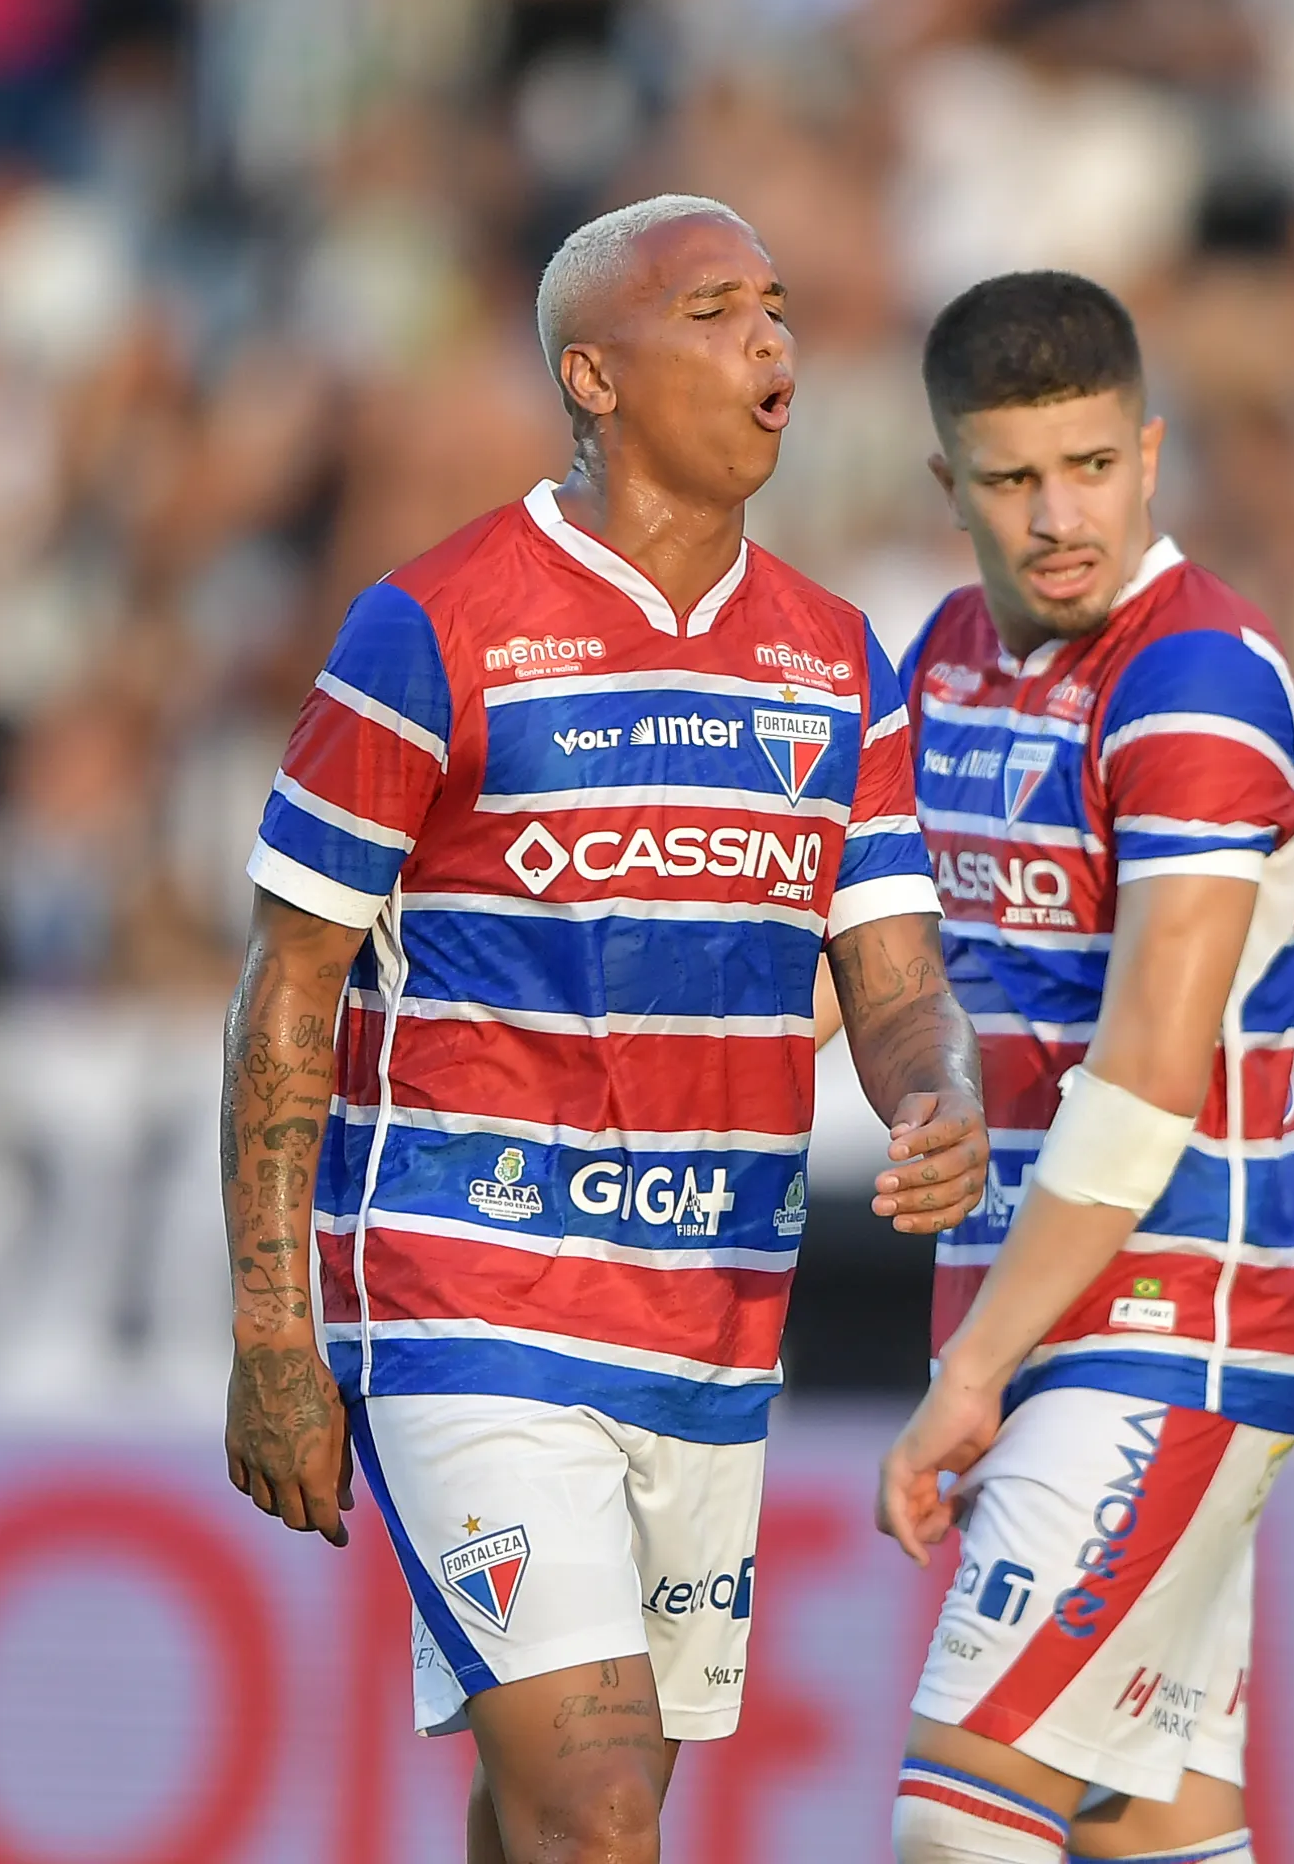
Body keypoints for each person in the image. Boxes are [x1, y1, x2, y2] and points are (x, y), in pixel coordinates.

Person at [220, 192, 992, 1864]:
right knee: (600, 1806)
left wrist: (940, 1096)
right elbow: (286, 986)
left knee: (552, 1818)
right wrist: (275, 1333)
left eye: (778, 307)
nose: (770, 341)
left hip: (709, 1323)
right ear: (596, 377)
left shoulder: (836, 662)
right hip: (468, 1298)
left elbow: (900, 985)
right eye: (714, 311)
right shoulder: (430, 628)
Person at [860, 271, 1294, 1864]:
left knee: (959, 1822)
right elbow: (877, 968)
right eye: (1013, 478)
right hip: (1040, 1317)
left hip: (1174, 1315)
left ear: (1151, 453)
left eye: (1093, 466)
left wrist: (973, 1372)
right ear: (949, 483)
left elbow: (1144, 1078)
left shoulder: (1198, 680)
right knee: (1150, 1836)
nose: (1061, 517)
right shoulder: (942, 661)